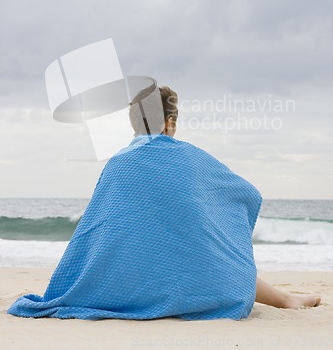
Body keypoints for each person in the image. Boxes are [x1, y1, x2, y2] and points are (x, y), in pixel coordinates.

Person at [7, 85, 320, 321]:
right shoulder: (189, 157)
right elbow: (247, 194)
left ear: (133, 125)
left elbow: (95, 228)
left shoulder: (117, 163)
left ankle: (285, 298)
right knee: (223, 259)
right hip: (191, 281)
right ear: (170, 123)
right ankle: (285, 299)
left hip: (125, 279)